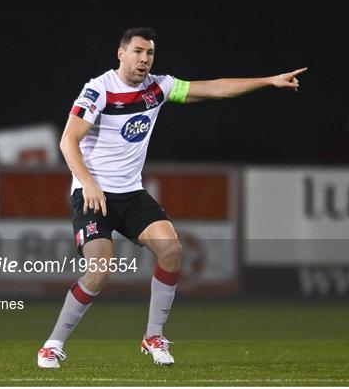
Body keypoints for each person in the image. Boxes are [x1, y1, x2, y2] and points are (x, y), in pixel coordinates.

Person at [38, 27, 307, 368]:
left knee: (171, 248)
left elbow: (214, 89)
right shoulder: (99, 89)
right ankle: (53, 344)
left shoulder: (158, 87)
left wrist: (268, 80)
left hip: (131, 193)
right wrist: (88, 182)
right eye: (137, 51)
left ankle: (154, 336)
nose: (144, 59)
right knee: (99, 270)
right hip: (93, 195)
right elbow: (67, 141)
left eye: (149, 53)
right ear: (121, 53)